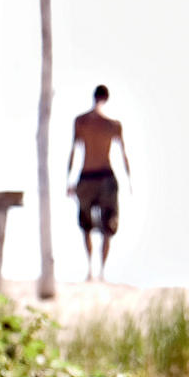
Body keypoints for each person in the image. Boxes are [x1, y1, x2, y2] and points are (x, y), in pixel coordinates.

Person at [65, 85, 133, 280]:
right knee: (103, 226)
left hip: (89, 176)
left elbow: (73, 151)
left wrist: (68, 180)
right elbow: (123, 154)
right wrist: (129, 180)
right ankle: (98, 271)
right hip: (103, 177)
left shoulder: (82, 122)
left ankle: (94, 270)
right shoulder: (111, 125)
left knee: (91, 225)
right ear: (106, 97)